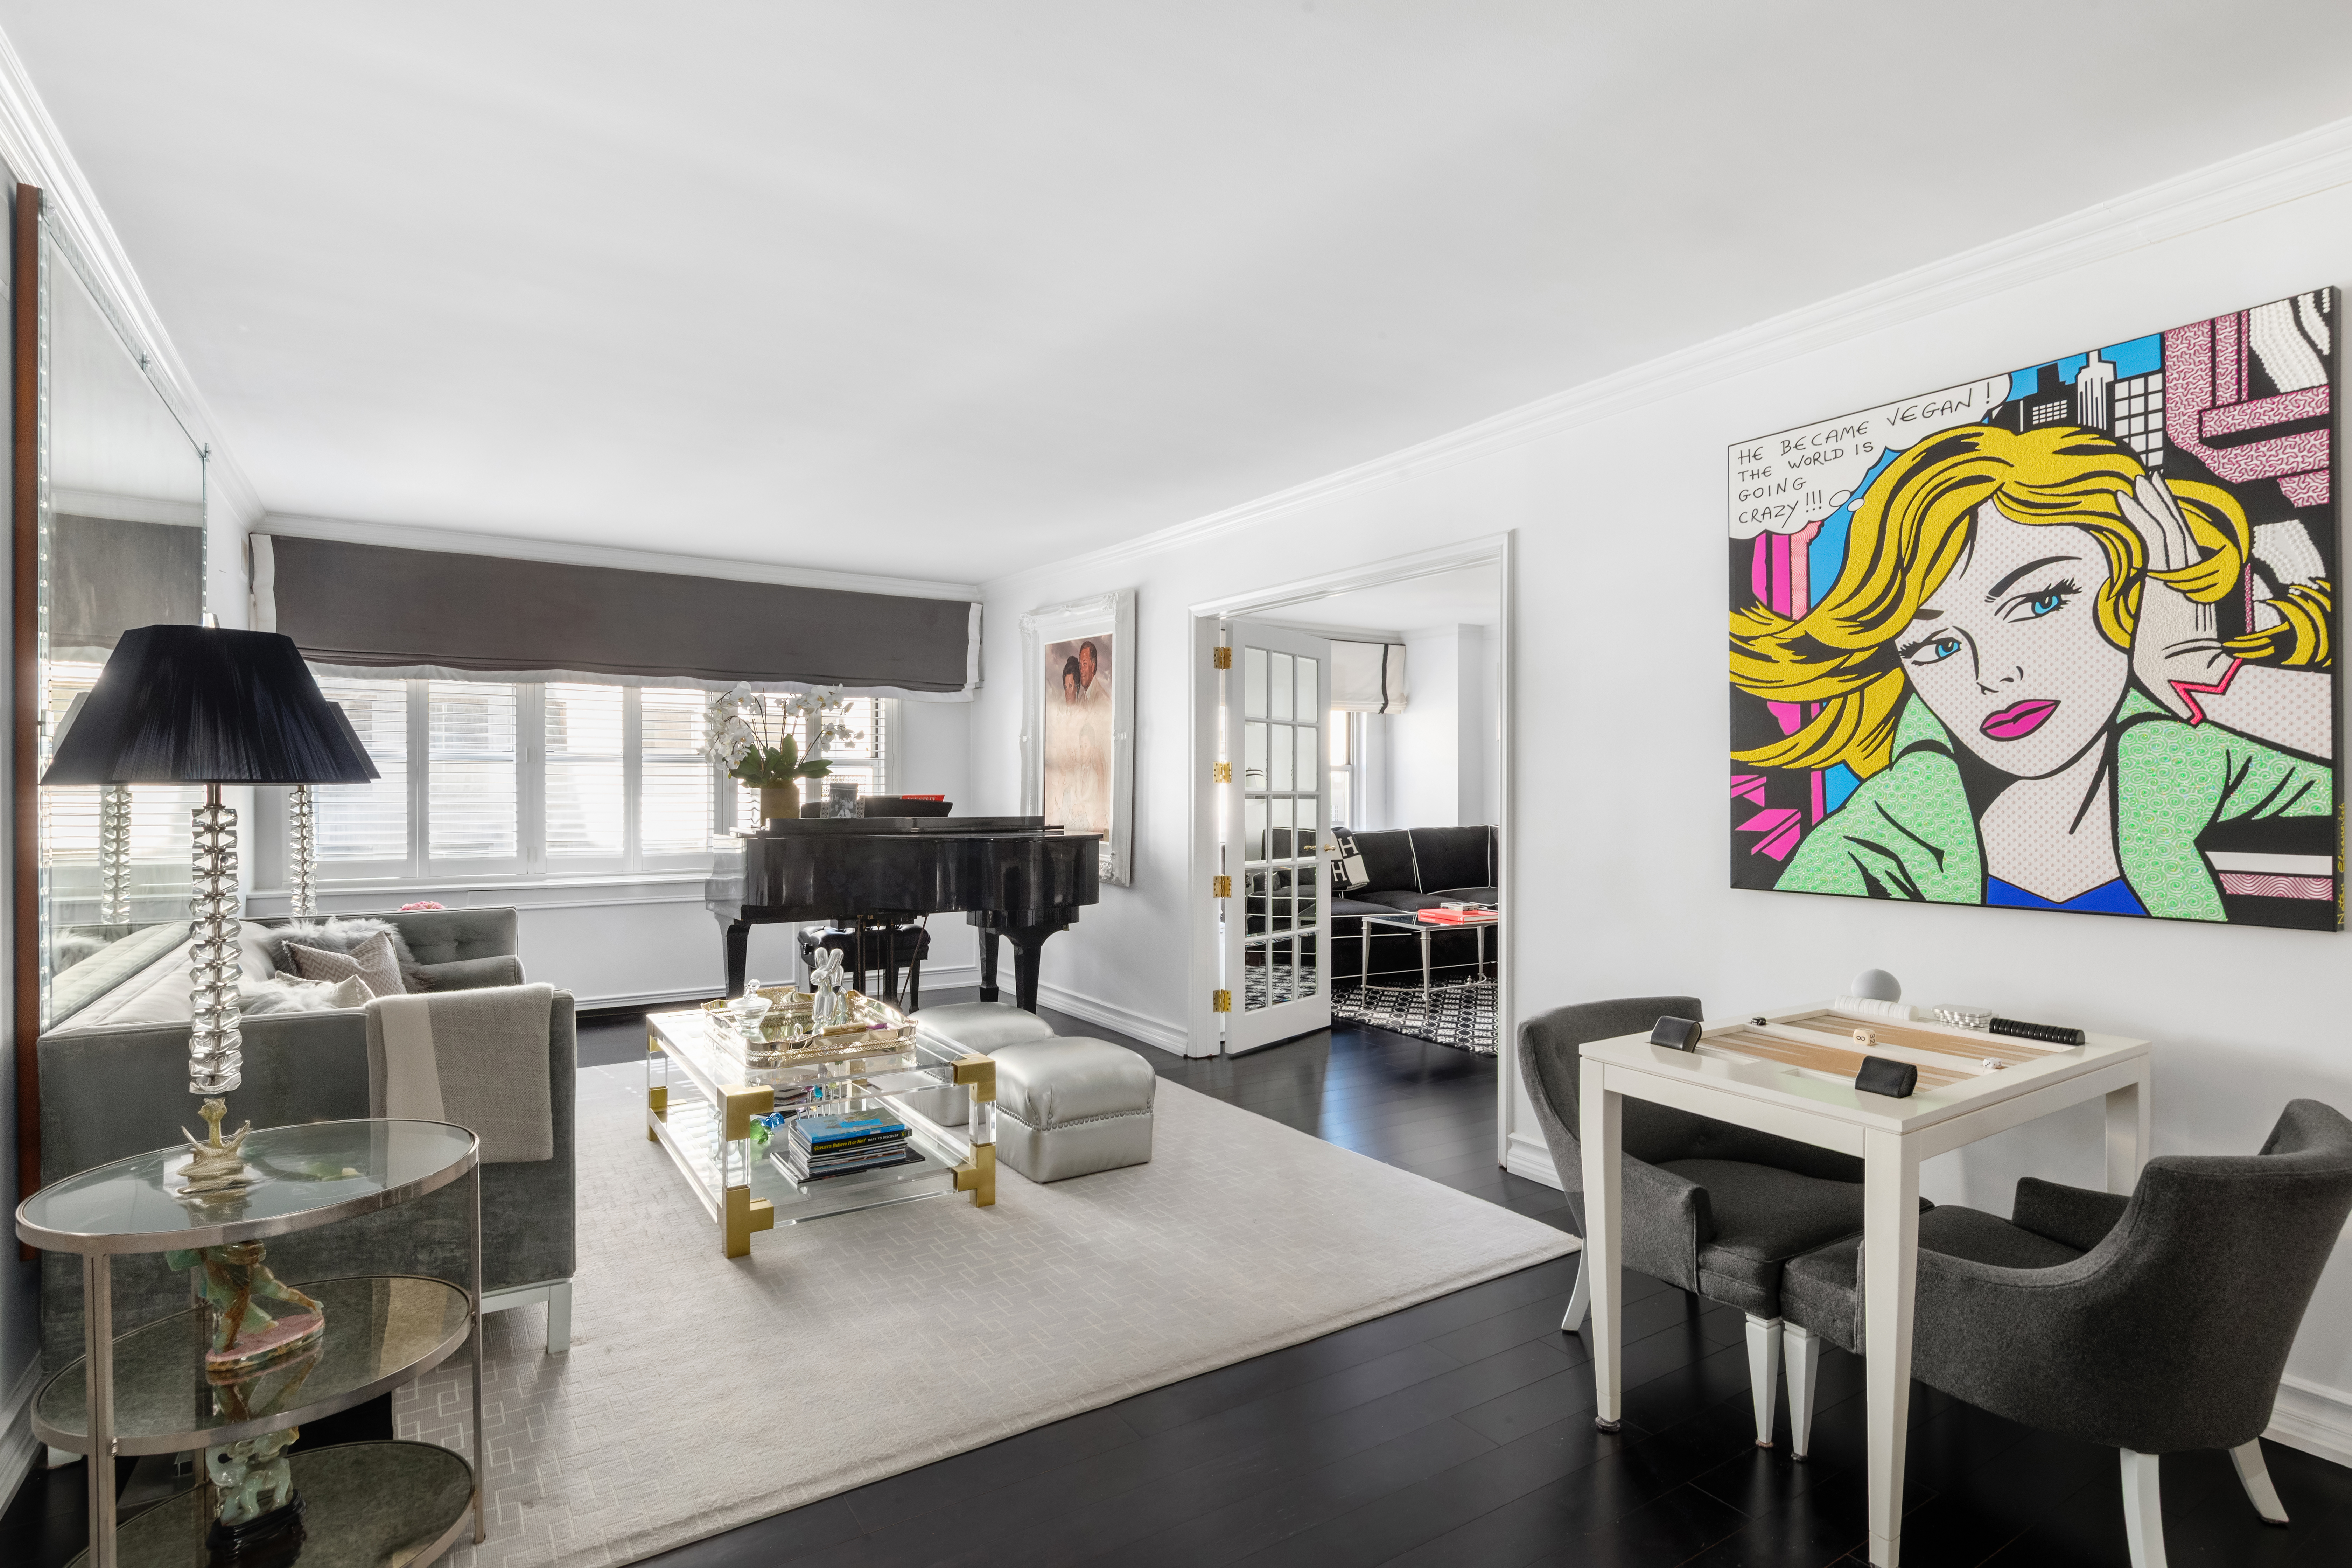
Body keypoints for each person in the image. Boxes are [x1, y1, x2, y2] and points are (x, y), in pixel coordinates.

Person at [1731, 422, 2331, 919]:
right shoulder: (1871, 847)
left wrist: (2197, 669)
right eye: (1938, 646)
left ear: (2133, 595)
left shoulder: (2176, 762)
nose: (1992, 676)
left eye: (2042, 602)